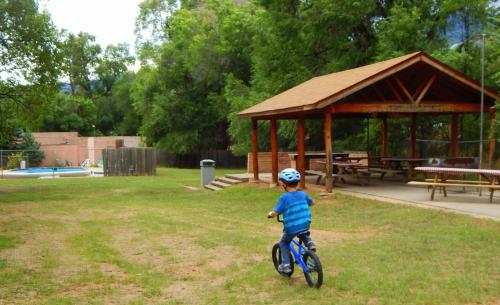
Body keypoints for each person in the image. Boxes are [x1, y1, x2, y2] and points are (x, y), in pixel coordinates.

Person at [268, 168, 316, 274]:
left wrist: (271, 214)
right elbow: (312, 202)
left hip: (291, 227)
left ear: (283, 184)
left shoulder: (284, 198)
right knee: (302, 232)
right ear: (297, 183)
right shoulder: (303, 194)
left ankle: (286, 265)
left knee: (284, 243)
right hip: (306, 224)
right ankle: (309, 242)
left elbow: (276, 212)